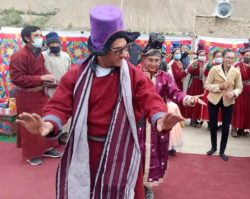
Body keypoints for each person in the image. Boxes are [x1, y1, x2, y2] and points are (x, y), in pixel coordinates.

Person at [15, 6, 184, 199]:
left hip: (123, 150)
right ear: (101, 50)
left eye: (126, 48)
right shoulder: (77, 75)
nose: (125, 54)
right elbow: (59, 105)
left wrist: (160, 118)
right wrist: (48, 124)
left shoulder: (132, 74)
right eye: (118, 50)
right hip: (87, 152)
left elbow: (150, 98)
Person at [140, 33, 205, 198]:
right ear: (143, 58)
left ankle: (147, 186)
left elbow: (175, 93)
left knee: (152, 154)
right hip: (136, 122)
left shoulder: (165, 77)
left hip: (157, 122)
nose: (154, 64)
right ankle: (132, 184)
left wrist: (189, 99)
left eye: (157, 60)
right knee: (136, 153)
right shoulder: (135, 74)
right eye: (150, 60)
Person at [9, 26, 60, 166]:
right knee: (30, 124)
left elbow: (43, 71)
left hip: (40, 94)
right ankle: (31, 154)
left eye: (40, 35)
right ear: (27, 38)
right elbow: (16, 78)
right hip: (26, 97)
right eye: (37, 35)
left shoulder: (39, 54)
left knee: (44, 119)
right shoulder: (19, 56)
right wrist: (41, 78)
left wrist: (50, 78)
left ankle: (46, 148)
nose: (40, 38)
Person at [205, 48, 243, 161]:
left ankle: (222, 151)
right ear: (223, 57)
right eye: (228, 57)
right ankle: (213, 147)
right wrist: (219, 87)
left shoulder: (236, 71)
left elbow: (240, 87)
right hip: (213, 99)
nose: (230, 60)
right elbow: (206, 85)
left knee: (226, 127)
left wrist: (234, 93)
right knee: (213, 125)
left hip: (228, 101)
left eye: (232, 58)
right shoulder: (214, 69)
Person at [42, 31, 71, 145]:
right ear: (47, 45)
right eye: (51, 43)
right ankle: (52, 137)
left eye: (56, 43)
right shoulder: (43, 56)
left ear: (60, 43)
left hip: (63, 88)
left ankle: (64, 135)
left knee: (65, 110)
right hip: (48, 89)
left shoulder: (66, 56)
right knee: (52, 111)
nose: (54, 45)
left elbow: (69, 72)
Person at [231, 42, 250, 137]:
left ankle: (242, 129)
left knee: (247, 110)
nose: (248, 57)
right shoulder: (237, 65)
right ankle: (234, 128)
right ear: (243, 55)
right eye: (246, 55)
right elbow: (237, 76)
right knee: (238, 109)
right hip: (240, 89)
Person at [185, 44, 207, 128]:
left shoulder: (207, 64)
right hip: (194, 84)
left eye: (204, 55)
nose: (202, 56)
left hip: (203, 84)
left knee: (201, 103)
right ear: (197, 56)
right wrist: (194, 66)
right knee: (194, 101)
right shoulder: (194, 63)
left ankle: (199, 119)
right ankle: (193, 120)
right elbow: (189, 71)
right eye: (201, 55)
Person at [201, 50, 223, 129]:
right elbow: (205, 74)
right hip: (210, 87)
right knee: (209, 106)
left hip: (220, 88)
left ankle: (215, 124)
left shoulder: (224, 65)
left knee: (219, 106)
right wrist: (209, 65)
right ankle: (210, 123)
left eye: (220, 56)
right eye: (217, 56)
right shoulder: (209, 64)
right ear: (213, 57)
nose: (219, 58)